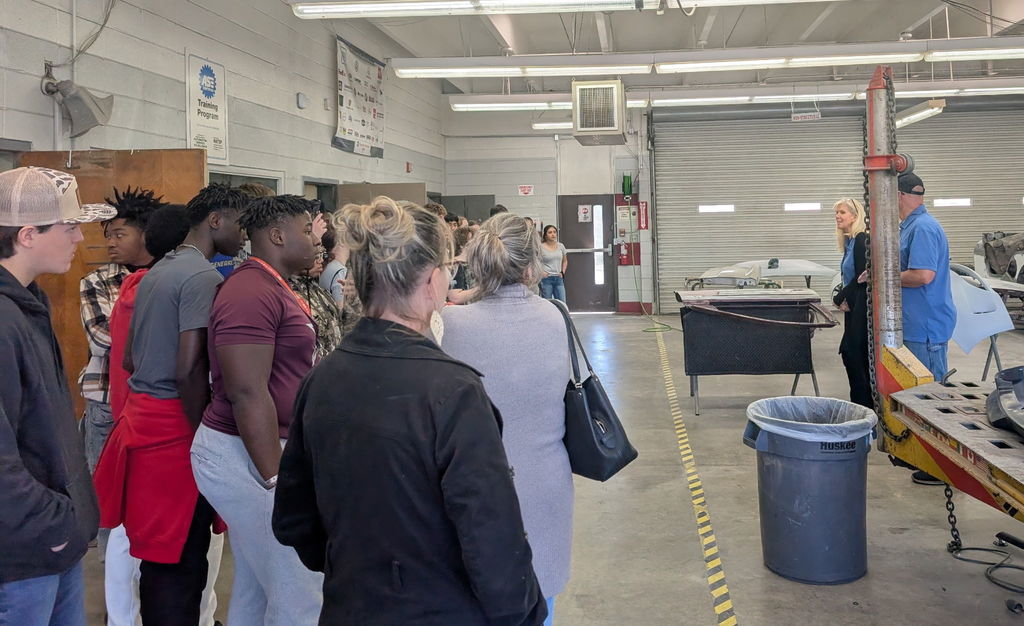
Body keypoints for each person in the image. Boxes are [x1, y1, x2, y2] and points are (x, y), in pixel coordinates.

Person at [272, 197, 546, 625]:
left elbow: (293, 519)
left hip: (350, 604)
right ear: (433, 281)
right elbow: (492, 540)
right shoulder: (454, 392)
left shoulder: (321, 379)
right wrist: (522, 612)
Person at [93, 183, 247, 625]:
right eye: (241, 223)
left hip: (144, 420)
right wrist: (205, 433)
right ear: (216, 220)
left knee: (158, 557)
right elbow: (188, 368)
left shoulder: (156, 271)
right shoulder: (201, 276)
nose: (244, 234)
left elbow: (128, 358)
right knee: (182, 561)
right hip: (174, 430)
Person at [192, 195, 324, 624]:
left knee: (256, 586)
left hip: (262, 447)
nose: (317, 240)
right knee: (300, 589)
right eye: (308, 230)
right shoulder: (249, 291)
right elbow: (246, 391)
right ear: (278, 235)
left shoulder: (272, 284)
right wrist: (278, 480)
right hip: (245, 454)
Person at [441, 213, 574, 625]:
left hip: (471, 488)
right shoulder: (556, 317)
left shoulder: (448, 325)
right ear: (531, 267)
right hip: (546, 482)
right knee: (539, 599)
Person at [0, 166, 112, 625]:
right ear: (28, 235)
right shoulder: (4, 320)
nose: (80, 238)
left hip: (53, 540)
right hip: (24, 551)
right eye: (69, 227)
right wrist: (53, 522)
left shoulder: (30, 302)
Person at [80, 187, 164, 477]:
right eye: (108, 236)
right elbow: (101, 340)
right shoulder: (97, 281)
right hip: (106, 398)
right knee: (102, 483)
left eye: (119, 234)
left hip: (157, 401)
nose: (110, 243)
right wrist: (163, 339)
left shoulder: (168, 276)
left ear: (146, 235)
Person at [896, 172, 957, 486]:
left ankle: (943, 468)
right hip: (916, 323)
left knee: (932, 397)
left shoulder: (923, 228)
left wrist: (885, 275)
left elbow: (922, 275)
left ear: (899, 195)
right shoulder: (909, 226)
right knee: (918, 395)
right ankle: (929, 457)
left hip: (927, 326)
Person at [831, 198, 871, 409]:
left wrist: (839, 297)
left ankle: (865, 408)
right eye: (836, 213)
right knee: (850, 354)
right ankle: (859, 406)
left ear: (855, 217)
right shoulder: (849, 242)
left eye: (842, 212)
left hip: (861, 309)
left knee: (854, 354)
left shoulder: (861, 240)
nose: (838, 216)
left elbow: (861, 277)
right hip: (852, 307)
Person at [539, 225, 568, 301]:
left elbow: (565, 261)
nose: (553, 234)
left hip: (558, 278)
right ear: (545, 235)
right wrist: (541, 272)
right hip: (546, 279)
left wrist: (563, 272)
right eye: (550, 232)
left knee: (562, 302)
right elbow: (535, 262)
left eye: (554, 232)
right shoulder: (540, 247)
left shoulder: (561, 246)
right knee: (547, 302)